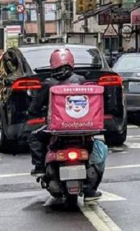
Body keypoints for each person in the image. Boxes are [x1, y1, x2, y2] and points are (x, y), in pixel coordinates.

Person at [27, 49, 105, 200]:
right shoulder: (81, 80)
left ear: (52, 64)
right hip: (83, 128)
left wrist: (33, 112)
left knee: (34, 137)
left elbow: (34, 108)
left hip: (56, 130)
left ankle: (39, 168)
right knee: (98, 149)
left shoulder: (49, 84)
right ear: (71, 62)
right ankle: (90, 190)